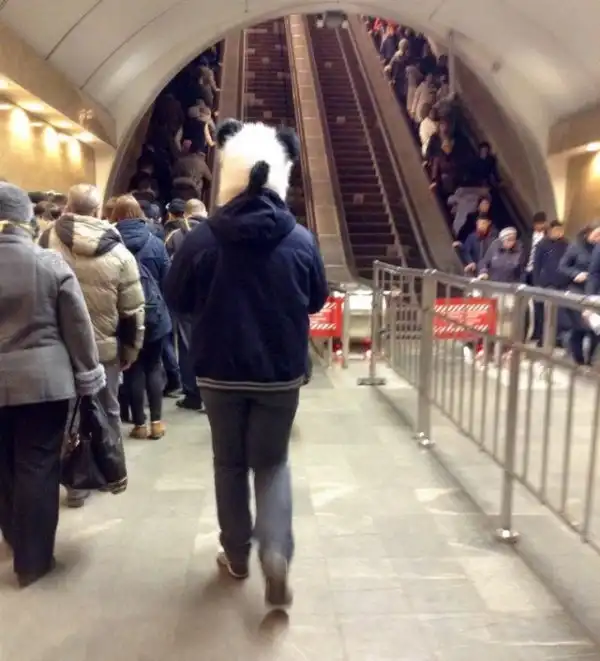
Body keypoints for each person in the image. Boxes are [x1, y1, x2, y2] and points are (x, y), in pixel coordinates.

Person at [165, 119, 328, 606]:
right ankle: (275, 551)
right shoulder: (300, 239)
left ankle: (236, 555)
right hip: (280, 374)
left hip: (218, 372)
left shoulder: (203, 238)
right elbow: (317, 299)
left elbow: (175, 295)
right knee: (272, 464)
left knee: (229, 464)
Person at [0, 182, 105, 586]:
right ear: (26, 219)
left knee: (3, 465)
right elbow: (77, 326)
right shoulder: (49, 264)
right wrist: (88, 375)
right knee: (38, 465)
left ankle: (13, 535)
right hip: (43, 385)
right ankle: (33, 561)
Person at [39, 184, 145, 507]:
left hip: (59, 348)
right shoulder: (119, 252)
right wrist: (130, 350)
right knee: (108, 409)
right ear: (99, 211)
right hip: (105, 350)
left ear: (67, 208)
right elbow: (132, 310)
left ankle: (74, 484)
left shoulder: (45, 241)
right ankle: (109, 472)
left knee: (66, 414)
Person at [112, 195, 172, 439]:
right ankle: (157, 423)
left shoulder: (111, 243)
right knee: (154, 366)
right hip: (155, 315)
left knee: (133, 369)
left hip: (125, 315)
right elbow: (167, 279)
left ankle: (139, 424)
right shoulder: (155, 241)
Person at [166, 199, 207, 412]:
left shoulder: (175, 236)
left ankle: (192, 393)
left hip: (185, 301)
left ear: (186, 214)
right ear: (204, 211)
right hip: (211, 299)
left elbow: (167, 268)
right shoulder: (215, 233)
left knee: (186, 345)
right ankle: (210, 392)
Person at [560, 223, 600, 365]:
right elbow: (563, 266)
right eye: (597, 234)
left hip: (594, 291)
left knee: (595, 328)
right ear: (588, 233)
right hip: (577, 290)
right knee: (580, 326)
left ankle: (589, 359)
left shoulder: (597, 248)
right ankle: (578, 358)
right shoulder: (576, 246)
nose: (598, 237)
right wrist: (575, 274)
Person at [533, 220, 570, 348]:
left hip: (562, 284)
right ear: (550, 231)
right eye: (556, 230)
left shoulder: (566, 244)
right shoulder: (542, 244)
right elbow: (536, 265)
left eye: (560, 230)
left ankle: (557, 338)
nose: (558, 233)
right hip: (546, 284)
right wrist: (537, 283)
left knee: (560, 315)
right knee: (546, 314)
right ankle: (543, 338)